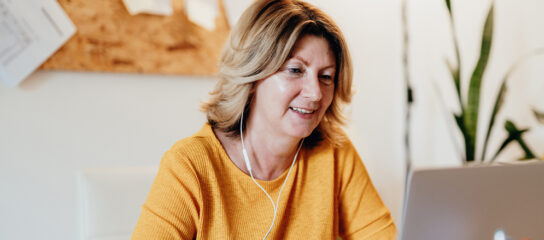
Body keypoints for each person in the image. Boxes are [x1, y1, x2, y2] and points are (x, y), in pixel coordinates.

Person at [131, 0, 396, 239]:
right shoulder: (190, 165)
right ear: (253, 76)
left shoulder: (335, 153)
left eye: (325, 76)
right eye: (295, 70)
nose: (316, 93)